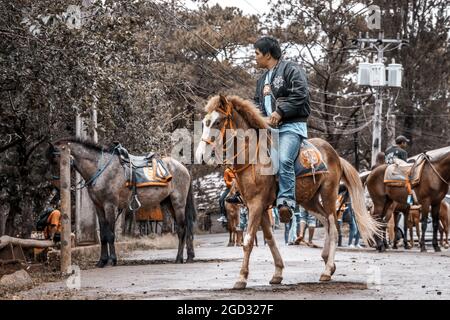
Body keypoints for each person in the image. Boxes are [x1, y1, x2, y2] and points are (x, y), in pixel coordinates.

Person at [253, 36, 310, 224]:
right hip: (269, 130)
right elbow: (256, 105)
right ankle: (242, 192)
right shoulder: (261, 80)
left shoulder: (291, 70)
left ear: (267, 55)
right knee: (247, 158)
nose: (255, 57)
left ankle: (286, 202)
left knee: (284, 158)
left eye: (257, 54)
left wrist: (280, 111)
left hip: (291, 127)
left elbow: (300, 93)